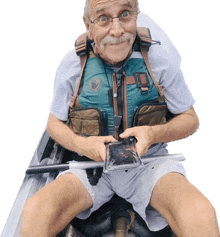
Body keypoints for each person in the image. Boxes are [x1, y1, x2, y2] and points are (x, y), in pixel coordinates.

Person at [21, 0, 219, 236]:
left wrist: (153, 134)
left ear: (136, 15)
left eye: (125, 14)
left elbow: (190, 118)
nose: (117, 30)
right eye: (103, 18)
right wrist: (84, 145)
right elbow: (54, 124)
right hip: (91, 168)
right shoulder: (72, 65)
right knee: (36, 210)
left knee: (200, 211)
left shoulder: (160, 59)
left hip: (149, 165)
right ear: (88, 24)